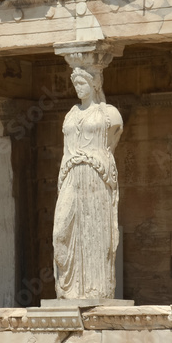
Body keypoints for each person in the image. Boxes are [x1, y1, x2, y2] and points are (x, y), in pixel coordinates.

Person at [52, 66, 123, 299]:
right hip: (71, 174)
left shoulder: (109, 114)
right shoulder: (71, 114)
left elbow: (111, 141)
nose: (78, 88)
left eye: (82, 83)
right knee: (61, 232)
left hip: (95, 174)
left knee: (95, 233)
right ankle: (69, 289)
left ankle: (96, 289)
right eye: (75, 84)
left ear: (94, 84)